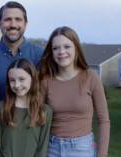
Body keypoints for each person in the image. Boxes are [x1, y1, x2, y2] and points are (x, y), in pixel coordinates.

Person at [39, 26, 110, 157]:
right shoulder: (45, 81)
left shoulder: (91, 77)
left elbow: (103, 120)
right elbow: (37, 120)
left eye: (67, 46)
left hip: (82, 149)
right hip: (52, 149)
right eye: (56, 48)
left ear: (76, 48)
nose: (61, 52)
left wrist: (102, 154)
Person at [0, 1, 43, 101]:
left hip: (34, 116)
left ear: (25, 23)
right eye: (8, 19)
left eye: (18, 19)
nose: (13, 25)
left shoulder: (41, 56)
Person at [0, 58, 52, 157]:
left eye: (21, 79)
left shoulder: (45, 111)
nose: (17, 85)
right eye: (12, 80)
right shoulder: (1, 108)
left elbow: (42, 147)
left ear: (33, 79)